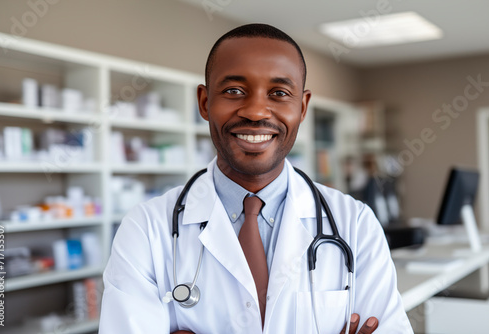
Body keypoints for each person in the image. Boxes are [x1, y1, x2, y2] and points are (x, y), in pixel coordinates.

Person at [99, 23, 413, 334]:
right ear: (205, 102)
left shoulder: (355, 224)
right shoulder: (146, 228)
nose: (256, 112)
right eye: (234, 91)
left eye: (279, 93)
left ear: (302, 107)